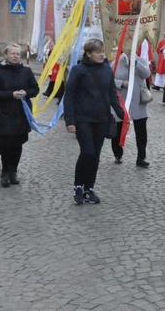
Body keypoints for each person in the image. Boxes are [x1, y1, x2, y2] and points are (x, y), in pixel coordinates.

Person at [64, 39, 125, 205]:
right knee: (88, 152)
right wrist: (70, 120)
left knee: (95, 156)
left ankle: (88, 188)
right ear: (89, 53)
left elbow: (112, 93)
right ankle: (78, 186)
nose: (101, 54)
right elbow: (69, 95)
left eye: (102, 51)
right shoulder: (78, 70)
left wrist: (122, 113)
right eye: (98, 52)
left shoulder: (106, 70)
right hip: (83, 119)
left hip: (102, 119)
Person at [0, 43, 40, 188]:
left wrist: (26, 93)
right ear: (6, 55)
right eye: (13, 53)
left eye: (18, 53)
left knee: (17, 143)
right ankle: (5, 172)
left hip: (21, 113)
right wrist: (10, 94)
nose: (16, 56)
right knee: (6, 144)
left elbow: (35, 89)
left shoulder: (27, 71)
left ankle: (14, 171)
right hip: (4, 113)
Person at [111, 51, 152, 167]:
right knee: (118, 129)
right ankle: (117, 153)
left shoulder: (141, 60)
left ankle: (141, 157)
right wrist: (122, 83)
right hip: (122, 101)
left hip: (138, 101)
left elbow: (146, 74)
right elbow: (109, 80)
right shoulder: (116, 63)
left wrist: (135, 62)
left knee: (141, 131)